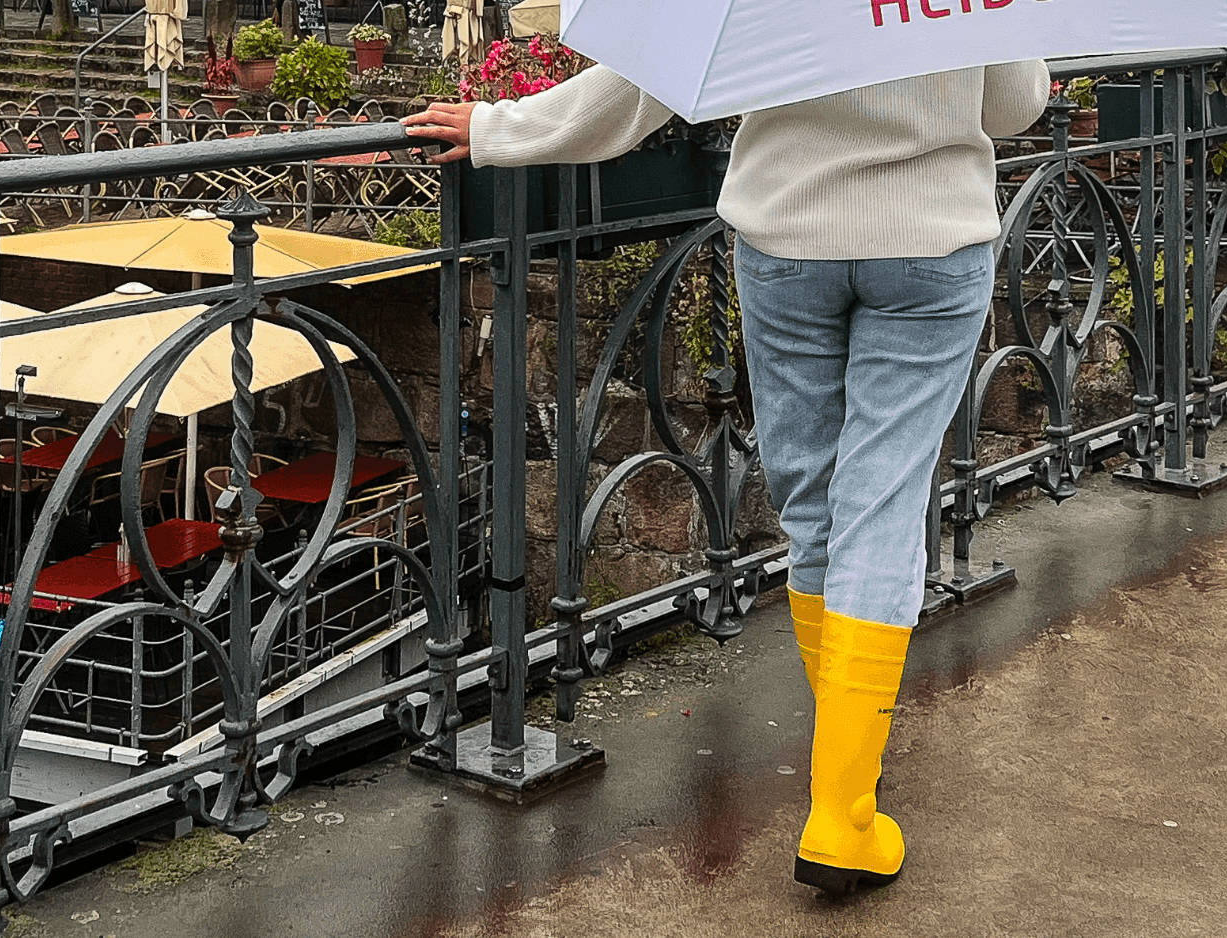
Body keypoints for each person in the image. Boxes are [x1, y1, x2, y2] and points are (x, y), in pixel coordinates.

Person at [407, 55, 1047, 896]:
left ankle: (847, 774)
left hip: (788, 238)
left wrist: (500, 129)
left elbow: (652, 71)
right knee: (880, 506)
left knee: (813, 505)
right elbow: (1013, 104)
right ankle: (842, 803)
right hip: (928, 242)